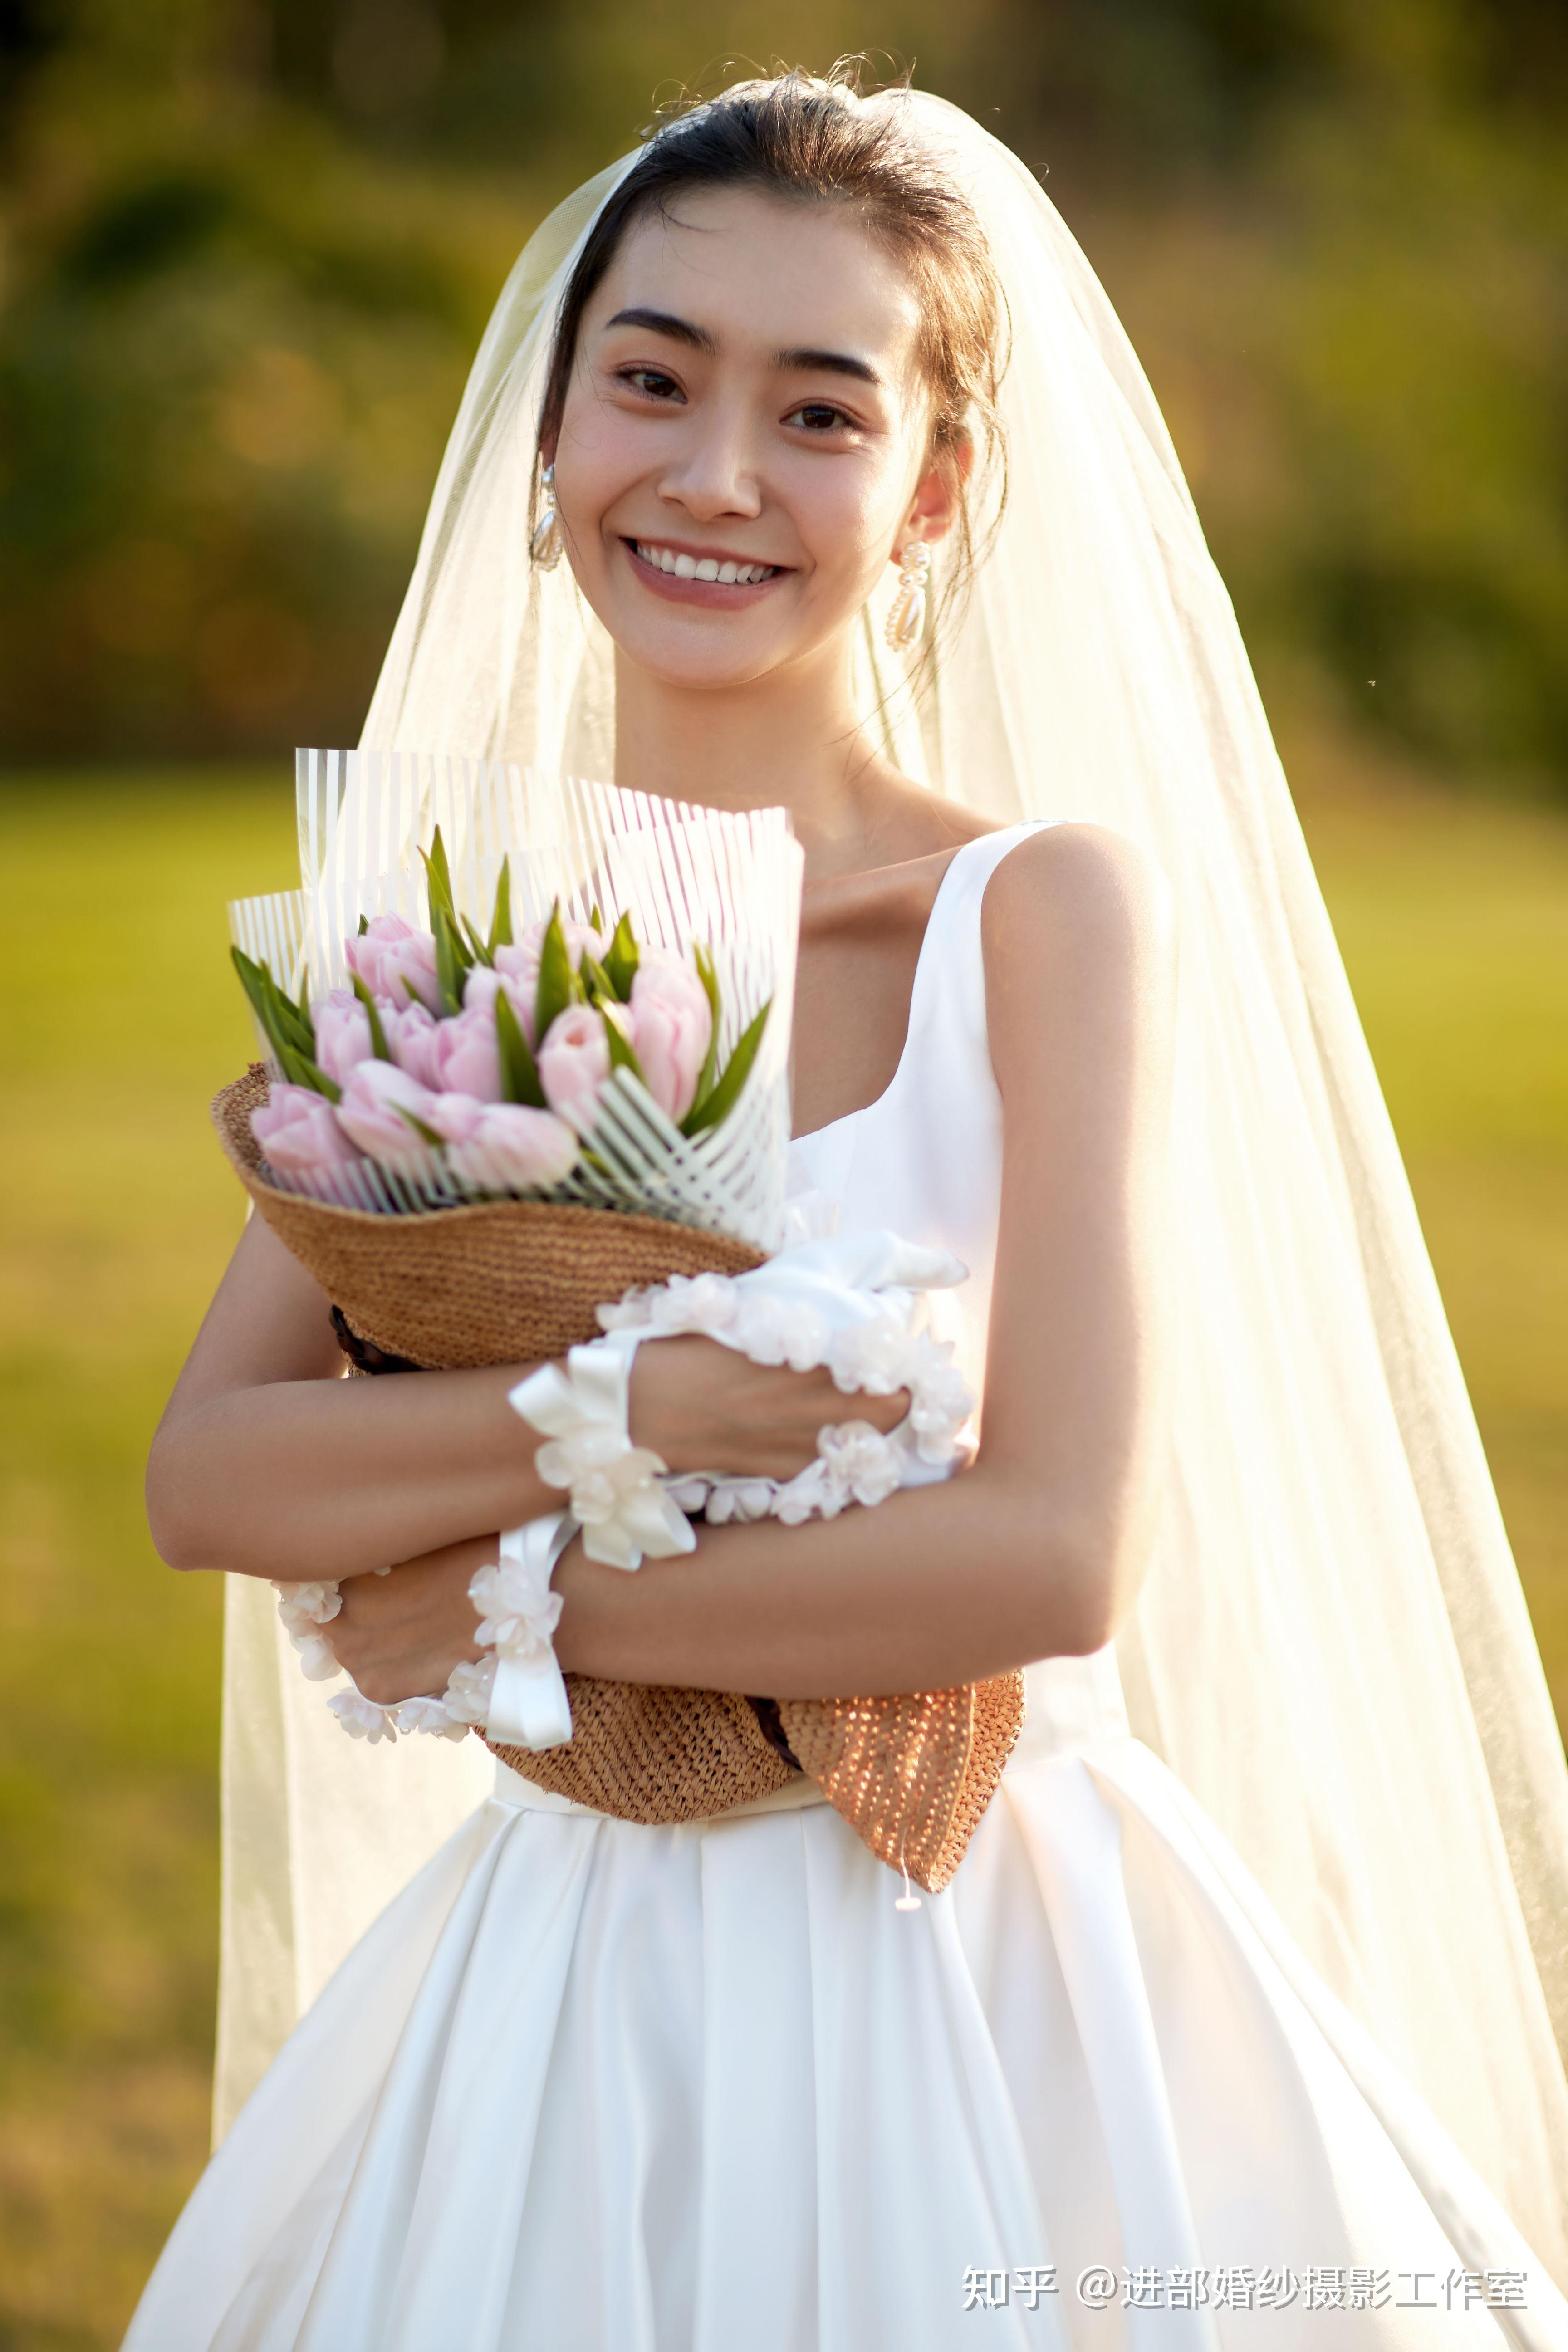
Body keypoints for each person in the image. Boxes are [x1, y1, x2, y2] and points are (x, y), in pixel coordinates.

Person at [127, 69, 1568, 2351]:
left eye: (821, 412)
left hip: (982, 1968)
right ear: (547, 432)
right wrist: (662, 1412)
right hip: (582, 1993)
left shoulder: (1037, 918)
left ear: (936, 487)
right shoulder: (466, 954)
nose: (714, 478)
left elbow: (1054, 1556)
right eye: (653, 381)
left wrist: (499, 1612)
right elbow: (217, 1475)